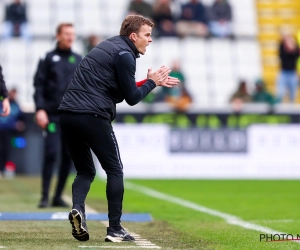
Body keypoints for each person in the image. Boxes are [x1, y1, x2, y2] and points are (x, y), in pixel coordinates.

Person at [58, 15, 179, 242]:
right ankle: (115, 229)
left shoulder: (108, 46)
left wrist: (149, 81)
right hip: (92, 114)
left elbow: (123, 90)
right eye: (147, 35)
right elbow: (132, 99)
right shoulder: (125, 55)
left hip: (67, 113)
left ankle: (78, 210)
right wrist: (152, 83)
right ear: (133, 36)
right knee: (115, 170)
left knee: (85, 171)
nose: (150, 40)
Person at [33, 23, 82, 208]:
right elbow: (39, 85)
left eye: (73, 34)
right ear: (58, 36)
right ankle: (45, 196)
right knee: (51, 153)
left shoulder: (78, 59)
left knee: (69, 158)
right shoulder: (47, 58)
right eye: (67, 34)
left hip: (72, 117)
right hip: (52, 115)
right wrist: (40, 108)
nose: (70, 37)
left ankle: (57, 195)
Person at [0, 88, 25, 178]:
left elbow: (21, 118)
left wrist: (19, 124)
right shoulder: (3, 102)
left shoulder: (16, 105)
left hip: (10, 132)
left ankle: (7, 169)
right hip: (1, 130)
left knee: (8, 151)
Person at [276, 32, 299, 103]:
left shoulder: (295, 51)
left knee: (292, 95)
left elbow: (296, 52)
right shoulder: (282, 49)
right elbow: (281, 51)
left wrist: (292, 45)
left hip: (292, 73)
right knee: (280, 93)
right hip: (283, 73)